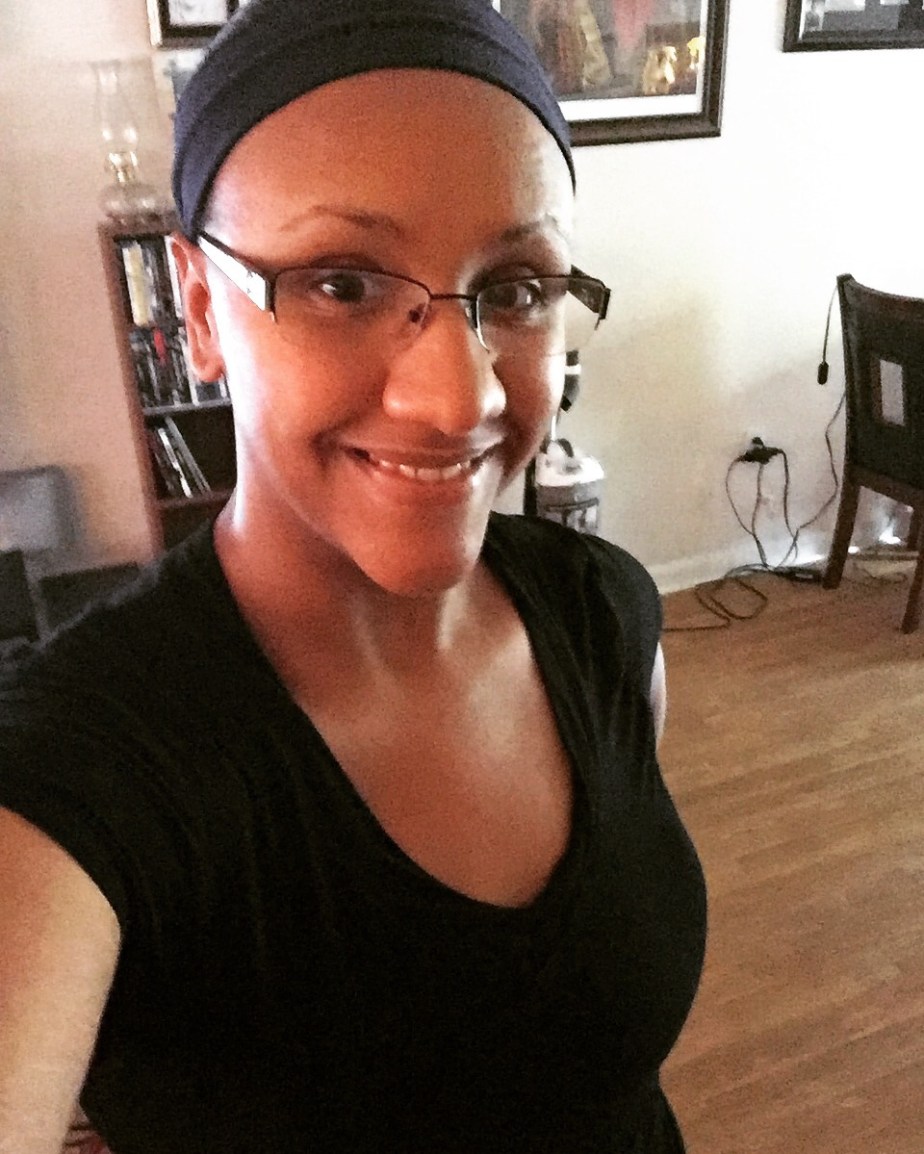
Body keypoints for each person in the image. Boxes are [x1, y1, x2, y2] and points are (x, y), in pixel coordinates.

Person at [0, 1, 707, 1151]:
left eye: (516, 287)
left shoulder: (604, 616)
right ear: (201, 310)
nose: (460, 397)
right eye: (340, 282)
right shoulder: (78, 765)